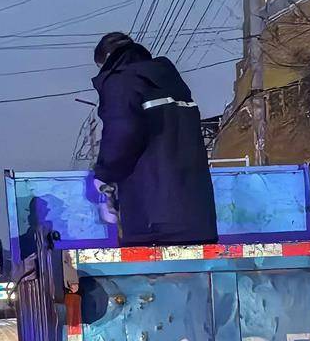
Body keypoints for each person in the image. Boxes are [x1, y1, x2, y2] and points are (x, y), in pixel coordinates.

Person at [91, 31, 218, 247]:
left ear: (108, 58)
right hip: (198, 219)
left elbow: (122, 133)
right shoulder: (171, 82)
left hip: (152, 221)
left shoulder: (121, 80)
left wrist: (104, 176)